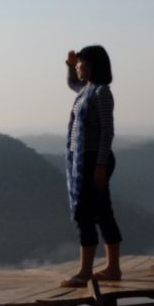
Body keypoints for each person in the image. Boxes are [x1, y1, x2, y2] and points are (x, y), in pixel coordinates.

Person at [61, 45, 123, 287]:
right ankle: (112, 269)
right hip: (82, 159)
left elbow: (107, 131)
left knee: (86, 214)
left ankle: (87, 271)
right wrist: (69, 66)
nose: (78, 67)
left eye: (81, 63)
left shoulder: (101, 93)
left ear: (92, 65)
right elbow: (72, 84)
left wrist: (100, 165)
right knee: (99, 212)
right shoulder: (85, 90)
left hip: (93, 159)